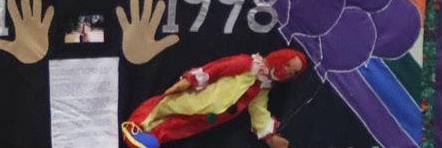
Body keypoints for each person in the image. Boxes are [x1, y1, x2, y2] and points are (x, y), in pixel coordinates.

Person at [121, 49, 306, 148]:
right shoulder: (246, 63)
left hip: (209, 119)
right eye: (287, 65)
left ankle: (149, 140)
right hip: (197, 99)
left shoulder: (262, 88)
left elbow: (259, 111)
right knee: (164, 107)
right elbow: (218, 68)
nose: (287, 72)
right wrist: (189, 81)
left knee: (176, 128)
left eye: (293, 73)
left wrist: (270, 138)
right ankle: (134, 128)